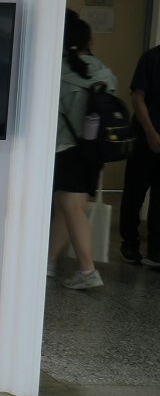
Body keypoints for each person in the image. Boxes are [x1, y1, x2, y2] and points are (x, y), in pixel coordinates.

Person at [48, 15, 117, 289]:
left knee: (72, 208)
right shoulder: (104, 72)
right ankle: (49, 262)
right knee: (66, 207)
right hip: (94, 151)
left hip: (67, 149)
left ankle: (88, 271)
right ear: (89, 41)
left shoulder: (58, 73)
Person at [120, 43, 160, 266]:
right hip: (145, 139)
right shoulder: (151, 59)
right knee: (135, 194)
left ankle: (156, 251)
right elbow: (137, 97)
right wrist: (151, 133)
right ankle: (130, 244)